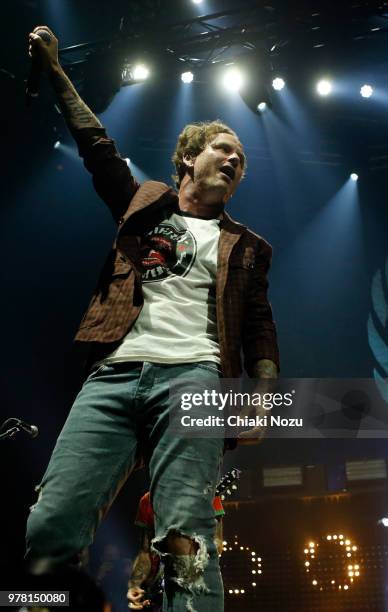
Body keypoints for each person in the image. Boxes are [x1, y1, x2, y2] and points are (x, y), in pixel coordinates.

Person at [25, 25, 279, 611]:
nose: (236, 159)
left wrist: (261, 397)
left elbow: (259, 326)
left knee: (188, 540)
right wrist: (58, 71)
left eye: (241, 158)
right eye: (224, 148)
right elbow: (96, 147)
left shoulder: (247, 246)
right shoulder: (143, 204)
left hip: (194, 380)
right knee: (48, 528)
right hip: (112, 375)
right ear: (189, 157)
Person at [127, 492, 225, 610]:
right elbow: (145, 552)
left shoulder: (208, 492)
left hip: (197, 587)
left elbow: (216, 544)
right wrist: (134, 585)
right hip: (158, 592)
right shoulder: (147, 500)